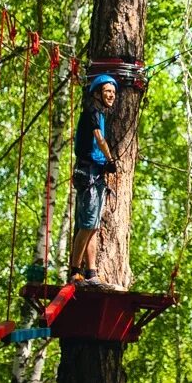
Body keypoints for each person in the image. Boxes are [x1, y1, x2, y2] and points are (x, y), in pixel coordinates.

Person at [69, 73, 119, 286]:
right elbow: (99, 139)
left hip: (95, 172)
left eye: (113, 92)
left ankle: (91, 273)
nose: (111, 95)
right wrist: (110, 159)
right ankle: (75, 272)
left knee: (94, 225)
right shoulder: (92, 111)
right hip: (88, 172)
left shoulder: (99, 113)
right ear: (97, 93)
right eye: (108, 91)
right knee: (88, 224)